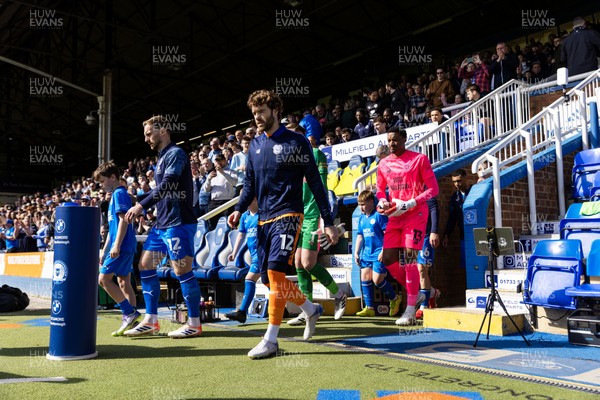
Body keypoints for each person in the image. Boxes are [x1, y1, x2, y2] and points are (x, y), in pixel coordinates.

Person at [228, 89, 339, 359]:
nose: (257, 118)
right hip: (263, 217)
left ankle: (271, 340)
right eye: (254, 113)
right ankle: (311, 309)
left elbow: (315, 182)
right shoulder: (254, 146)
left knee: (276, 274)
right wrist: (239, 209)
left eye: (262, 112)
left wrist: (328, 220)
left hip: (289, 214)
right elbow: (250, 184)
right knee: (269, 280)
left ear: (275, 111)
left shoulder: (297, 142)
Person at [123, 115, 202, 338]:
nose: (147, 139)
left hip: (179, 223)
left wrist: (142, 205)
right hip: (162, 224)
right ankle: (151, 320)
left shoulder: (176, 154)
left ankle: (194, 323)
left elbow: (168, 185)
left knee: (182, 270)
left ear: (164, 131)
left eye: (149, 133)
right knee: (146, 265)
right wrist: (138, 197)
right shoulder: (162, 157)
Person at [376, 126, 439, 326]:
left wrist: (412, 202)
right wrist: (381, 202)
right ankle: (420, 293)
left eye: (395, 140)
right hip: (395, 215)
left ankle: (410, 310)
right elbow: (379, 190)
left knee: (410, 259)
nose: (391, 144)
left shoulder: (419, 159)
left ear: (404, 139)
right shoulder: (384, 164)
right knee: (387, 259)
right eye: (389, 140)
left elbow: (433, 189)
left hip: (416, 214)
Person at [285, 123, 347, 327]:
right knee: (298, 264)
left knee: (309, 263)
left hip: (313, 216)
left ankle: (339, 296)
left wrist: (324, 219)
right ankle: (307, 309)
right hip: (298, 217)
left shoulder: (315, 154)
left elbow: (321, 187)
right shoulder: (288, 160)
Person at [93, 162, 140, 336]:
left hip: (123, 245)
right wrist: (105, 251)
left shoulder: (119, 194)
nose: (101, 185)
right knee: (123, 282)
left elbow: (124, 221)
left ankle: (129, 312)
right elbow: (112, 230)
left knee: (103, 279)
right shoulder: (114, 195)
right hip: (122, 245)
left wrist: (117, 245)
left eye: (103, 181)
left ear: (113, 177)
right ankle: (133, 324)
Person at [354, 190, 401, 317]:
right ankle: (369, 308)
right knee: (364, 276)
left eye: (363, 204)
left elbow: (387, 234)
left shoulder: (379, 215)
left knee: (377, 279)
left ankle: (394, 298)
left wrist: (384, 250)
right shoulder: (362, 218)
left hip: (378, 253)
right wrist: (356, 252)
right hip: (366, 254)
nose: (361, 207)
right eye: (359, 204)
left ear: (370, 202)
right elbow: (360, 236)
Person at [224, 198, 259, 323]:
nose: (244, 202)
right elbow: (241, 234)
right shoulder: (245, 216)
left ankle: (242, 312)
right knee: (269, 282)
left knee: (249, 279)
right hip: (254, 254)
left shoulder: (263, 214)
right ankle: (287, 308)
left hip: (263, 253)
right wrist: (234, 252)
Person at [415, 197, 441, 320]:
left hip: (425, 235)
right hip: (411, 235)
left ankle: (424, 305)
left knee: (422, 268)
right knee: (412, 271)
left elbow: (433, 208)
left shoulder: (426, 189)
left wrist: (434, 231)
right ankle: (432, 293)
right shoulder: (406, 189)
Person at [443, 169, 471, 269]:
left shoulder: (474, 191)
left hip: (476, 235)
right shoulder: (455, 197)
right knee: (466, 265)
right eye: (454, 182)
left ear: (465, 178)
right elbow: (452, 217)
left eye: (459, 181)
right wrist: (447, 235)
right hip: (463, 235)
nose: (456, 184)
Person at [203, 154, 237, 228]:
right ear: (214, 163)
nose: (219, 163)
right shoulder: (212, 174)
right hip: (214, 203)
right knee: (213, 225)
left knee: (228, 225)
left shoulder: (231, 171)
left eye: (220, 160)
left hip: (227, 202)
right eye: (217, 161)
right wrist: (208, 179)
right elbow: (206, 189)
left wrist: (223, 173)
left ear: (225, 160)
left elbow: (235, 183)